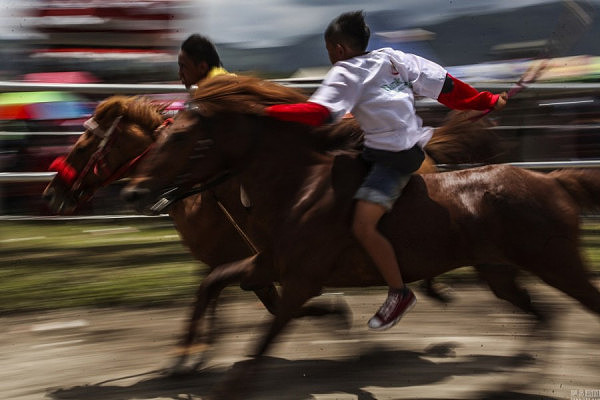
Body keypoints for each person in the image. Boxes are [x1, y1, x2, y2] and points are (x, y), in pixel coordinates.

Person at [264, 11, 507, 331]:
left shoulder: (346, 72)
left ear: (336, 48)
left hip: (392, 159)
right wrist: (487, 100)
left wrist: (266, 112)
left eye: (327, 50)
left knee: (364, 225)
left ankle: (399, 293)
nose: (329, 56)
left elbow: (320, 113)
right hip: (394, 149)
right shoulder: (394, 58)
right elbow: (446, 86)